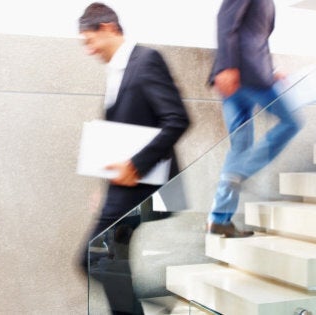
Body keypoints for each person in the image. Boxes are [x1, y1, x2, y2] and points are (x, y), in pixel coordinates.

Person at [77, 3, 190, 314]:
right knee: (110, 262)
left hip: (145, 187)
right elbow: (120, 137)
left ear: (109, 28)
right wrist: (104, 186)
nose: (89, 50)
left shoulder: (146, 60)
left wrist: (135, 166)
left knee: (96, 257)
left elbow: (177, 119)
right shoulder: (117, 71)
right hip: (122, 188)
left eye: (89, 40)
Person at [207, 0, 301, 237]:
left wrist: (271, 69)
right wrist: (227, 67)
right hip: (242, 75)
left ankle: (219, 219)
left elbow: (257, 38)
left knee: (240, 146)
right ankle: (242, 171)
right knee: (291, 122)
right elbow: (225, 20)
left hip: (246, 74)